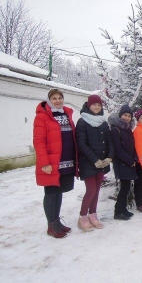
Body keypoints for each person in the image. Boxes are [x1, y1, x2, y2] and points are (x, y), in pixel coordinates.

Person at [33, 89, 78, 238]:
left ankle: (56, 222)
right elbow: (39, 141)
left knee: (59, 192)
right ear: (48, 100)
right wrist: (45, 163)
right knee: (51, 193)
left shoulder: (66, 114)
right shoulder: (42, 117)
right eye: (54, 98)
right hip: (51, 163)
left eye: (60, 98)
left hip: (66, 161)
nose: (58, 101)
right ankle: (51, 225)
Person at [76, 95, 114, 231]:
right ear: (89, 106)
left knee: (97, 191)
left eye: (99, 105)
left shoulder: (103, 122)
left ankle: (93, 215)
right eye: (94, 105)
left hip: (102, 163)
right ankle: (82, 217)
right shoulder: (82, 122)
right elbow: (82, 144)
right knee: (91, 190)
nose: (97, 107)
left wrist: (109, 157)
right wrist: (95, 160)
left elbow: (110, 141)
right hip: (89, 162)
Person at [109, 105, 138, 220]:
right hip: (121, 163)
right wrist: (130, 161)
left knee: (126, 187)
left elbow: (133, 147)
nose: (127, 118)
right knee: (124, 187)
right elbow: (118, 149)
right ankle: (118, 211)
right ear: (120, 115)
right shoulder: (115, 130)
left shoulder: (128, 130)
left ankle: (123, 209)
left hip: (129, 162)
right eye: (125, 115)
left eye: (129, 116)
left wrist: (135, 158)